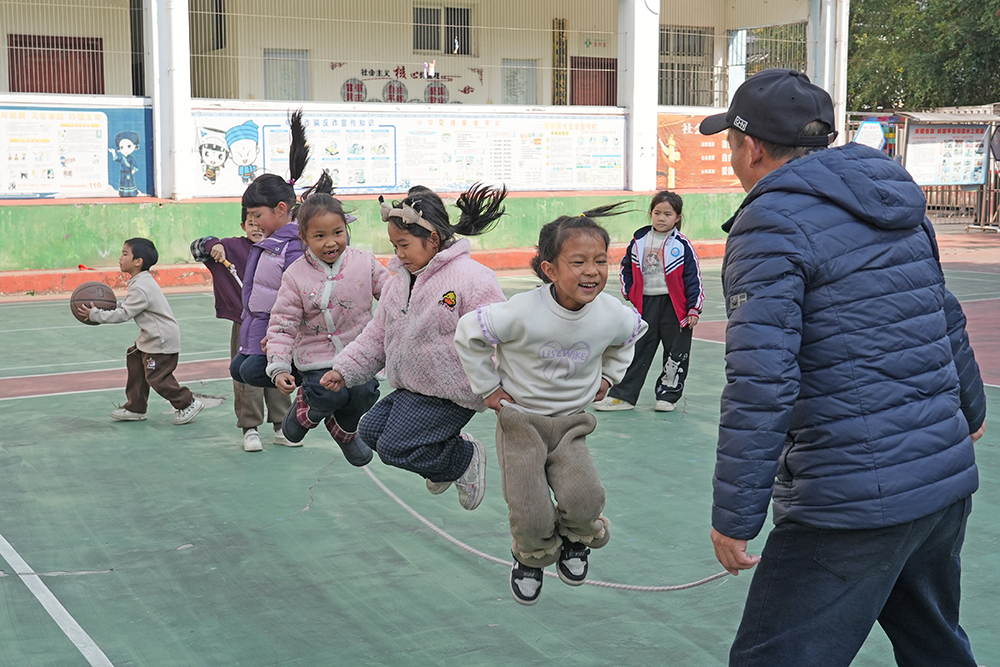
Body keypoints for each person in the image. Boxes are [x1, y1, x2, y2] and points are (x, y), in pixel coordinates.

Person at [700, 68, 986, 666]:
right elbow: (942, 308)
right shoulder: (893, 197)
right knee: (934, 646)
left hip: (849, 499)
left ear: (751, 146)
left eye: (730, 142)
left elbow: (762, 381)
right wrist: (971, 407)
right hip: (939, 482)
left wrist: (736, 514)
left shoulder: (771, 223)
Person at [455, 206, 647, 605]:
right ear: (550, 269)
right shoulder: (523, 311)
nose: (591, 271)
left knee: (586, 498)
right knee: (530, 510)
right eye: (577, 262)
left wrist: (610, 376)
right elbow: (468, 333)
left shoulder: (612, 314)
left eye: (600, 261)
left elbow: (628, 338)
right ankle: (532, 555)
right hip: (520, 422)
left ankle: (576, 540)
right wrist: (488, 388)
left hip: (571, 424)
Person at [320, 183, 508, 509]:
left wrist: (495, 386)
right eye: (395, 246)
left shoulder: (472, 279)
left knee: (395, 447)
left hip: (453, 390)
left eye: (404, 245)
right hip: (414, 387)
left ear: (432, 238)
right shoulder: (400, 282)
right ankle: (442, 458)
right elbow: (378, 333)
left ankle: (462, 458)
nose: (399, 254)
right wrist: (344, 369)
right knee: (370, 431)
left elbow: (498, 335)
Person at [265, 178, 390, 465]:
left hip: (359, 353)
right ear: (304, 237)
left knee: (364, 392)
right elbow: (283, 323)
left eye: (337, 232)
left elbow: (393, 295)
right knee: (328, 393)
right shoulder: (296, 275)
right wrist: (279, 366)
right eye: (319, 236)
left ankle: (344, 431)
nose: (331, 242)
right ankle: (306, 410)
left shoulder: (365, 262)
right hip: (316, 357)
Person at [191, 207, 292, 452]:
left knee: (281, 371)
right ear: (242, 226)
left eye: (260, 222)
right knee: (246, 375)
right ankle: (250, 429)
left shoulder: (283, 247)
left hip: (279, 323)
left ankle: (282, 426)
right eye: (250, 222)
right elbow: (197, 248)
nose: (256, 227)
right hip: (246, 324)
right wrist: (213, 244)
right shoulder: (232, 248)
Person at [73, 238, 205, 425]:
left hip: (161, 340)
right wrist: (102, 310)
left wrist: (96, 315)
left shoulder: (142, 287)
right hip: (151, 338)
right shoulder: (140, 282)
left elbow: (124, 313)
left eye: (125, 254)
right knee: (135, 358)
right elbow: (128, 307)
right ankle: (136, 407)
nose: (120, 258)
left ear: (138, 261)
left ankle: (187, 403)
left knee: (157, 377)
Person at [593, 190, 703, 413]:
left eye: (668, 214)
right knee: (637, 350)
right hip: (646, 306)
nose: (662, 218)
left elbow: (694, 278)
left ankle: (667, 396)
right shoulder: (639, 241)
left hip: (676, 308)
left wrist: (693, 308)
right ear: (650, 214)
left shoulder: (682, 245)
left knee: (676, 354)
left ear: (678, 218)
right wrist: (630, 293)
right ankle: (623, 396)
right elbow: (626, 268)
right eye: (657, 213)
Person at [230, 110, 310, 407]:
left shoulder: (294, 246)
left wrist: (282, 341)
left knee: (251, 369)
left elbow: (298, 299)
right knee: (239, 369)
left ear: (280, 209)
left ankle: (310, 376)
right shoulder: (270, 244)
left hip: (285, 333)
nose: (253, 222)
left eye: (257, 215)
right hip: (262, 329)